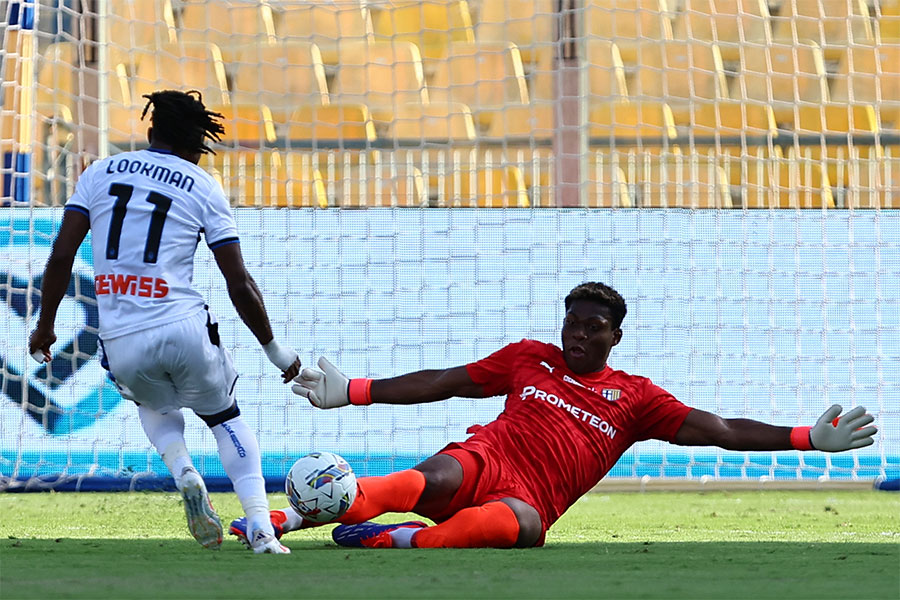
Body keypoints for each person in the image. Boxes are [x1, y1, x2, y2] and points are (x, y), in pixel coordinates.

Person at [232, 282, 878, 549]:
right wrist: (355, 390)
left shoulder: (637, 398)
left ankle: (386, 539)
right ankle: (277, 519)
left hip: (530, 500)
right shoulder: (529, 358)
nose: (577, 335)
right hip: (484, 458)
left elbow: (722, 431)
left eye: (592, 327)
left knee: (498, 527)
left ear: (614, 337)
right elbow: (448, 382)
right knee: (416, 481)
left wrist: (806, 437)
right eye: (572, 323)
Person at [28, 90, 300, 554]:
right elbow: (238, 281)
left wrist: (45, 325)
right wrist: (275, 349)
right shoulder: (201, 184)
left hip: (121, 338)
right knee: (224, 417)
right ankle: (260, 526)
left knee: (151, 403)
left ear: (151, 131)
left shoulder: (99, 172)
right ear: (197, 147)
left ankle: (182, 469)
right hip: (184, 327)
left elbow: (62, 255)